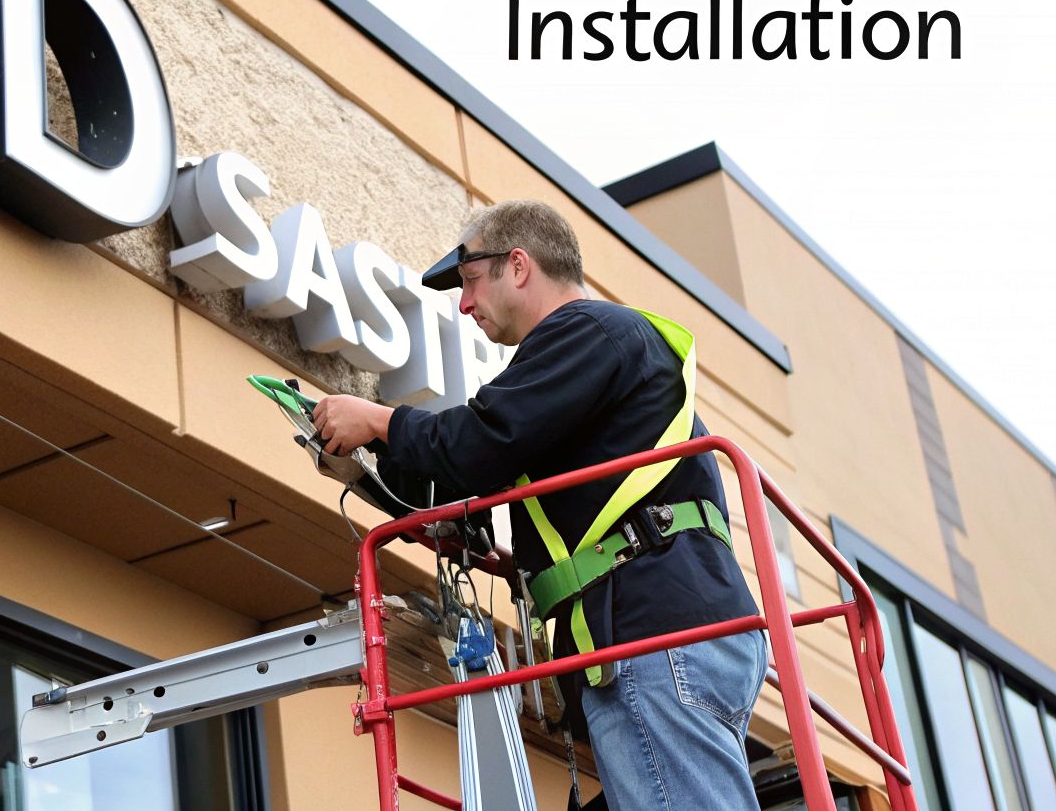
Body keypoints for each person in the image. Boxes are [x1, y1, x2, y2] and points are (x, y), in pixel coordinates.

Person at [313, 199, 766, 811]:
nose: (464, 303)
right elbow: (477, 468)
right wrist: (377, 470)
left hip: (651, 631)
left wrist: (375, 419)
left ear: (518, 266)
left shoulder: (584, 333)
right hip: (669, 623)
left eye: (471, 280)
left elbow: (482, 441)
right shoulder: (597, 361)